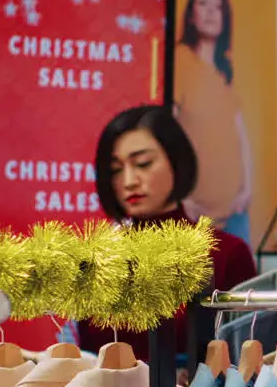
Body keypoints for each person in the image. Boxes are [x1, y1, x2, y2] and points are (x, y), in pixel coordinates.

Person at [80, 105, 257, 370]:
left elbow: (245, 356)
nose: (129, 181)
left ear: (176, 161)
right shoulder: (97, 259)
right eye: (116, 170)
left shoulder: (225, 254)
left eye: (143, 164)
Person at [174, 0, 254, 245]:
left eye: (218, 5)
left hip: (235, 215)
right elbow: (167, 134)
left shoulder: (225, 70)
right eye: (203, 3)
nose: (210, 12)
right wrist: (180, 197)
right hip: (193, 216)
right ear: (191, 13)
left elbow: (240, 134)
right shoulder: (180, 61)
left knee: (242, 288)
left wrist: (247, 189)